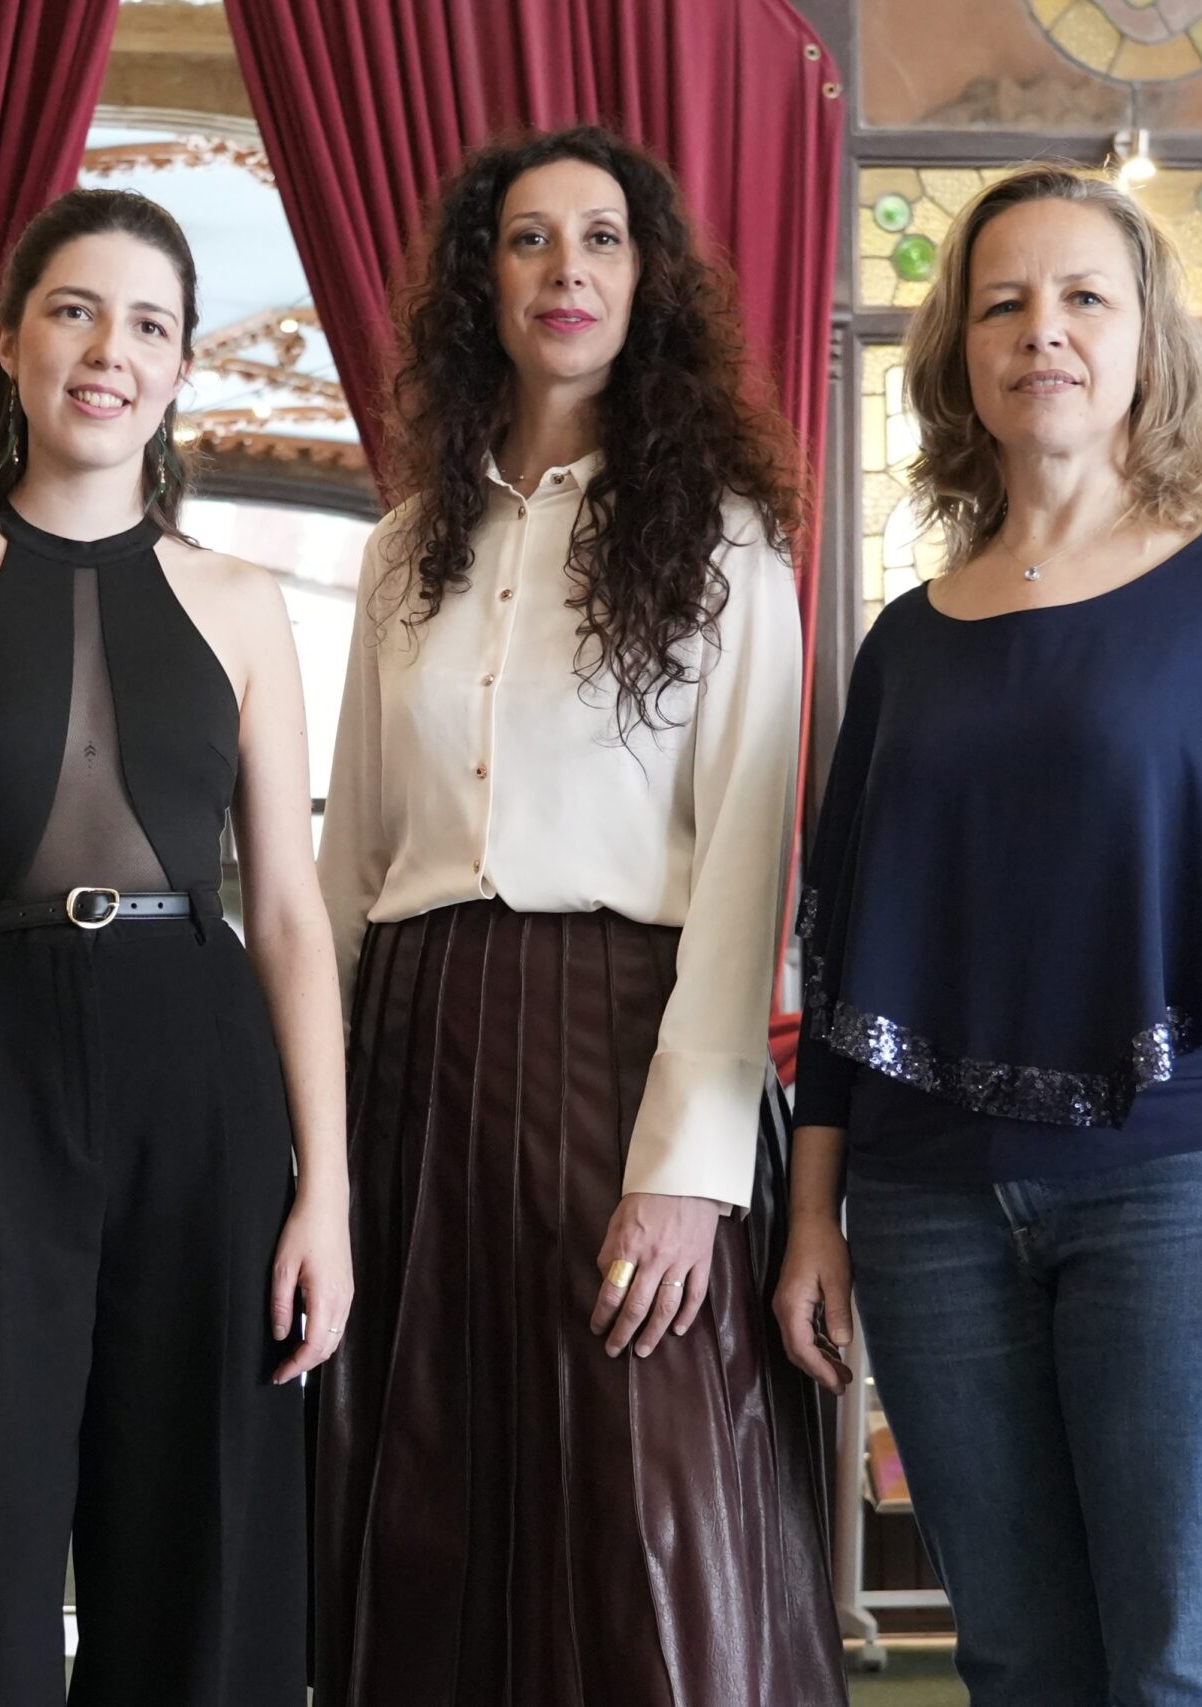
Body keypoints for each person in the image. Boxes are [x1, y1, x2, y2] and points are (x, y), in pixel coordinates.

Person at [773, 163, 1202, 1707]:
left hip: (1192, 1187)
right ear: (961, 355)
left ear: (1146, 342)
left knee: (1190, 1661)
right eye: (1002, 302)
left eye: (1082, 297)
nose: (1041, 330)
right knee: (1017, 1663)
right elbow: (849, 967)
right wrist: (812, 1215)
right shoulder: (903, 643)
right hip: (926, 1207)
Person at [314, 126, 847, 1706]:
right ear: (481, 282)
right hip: (414, 1057)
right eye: (529, 238)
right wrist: (313, 1131)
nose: (566, 269)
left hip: (623, 1052)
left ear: (646, 280)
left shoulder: (730, 541)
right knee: (429, 1491)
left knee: (644, 1497)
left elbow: (747, 869)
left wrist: (689, 1172)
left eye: (601, 237)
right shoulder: (404, 548)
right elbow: (350, 859)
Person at [0, 187, 351, 1707]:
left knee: (205, 1535)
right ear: (8, 340)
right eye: (74, 310)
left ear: (180, 368)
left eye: (149, 325)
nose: (110, 350)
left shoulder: (243, 603)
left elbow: (287, 910)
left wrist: (326, 1191)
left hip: (203, 1068)